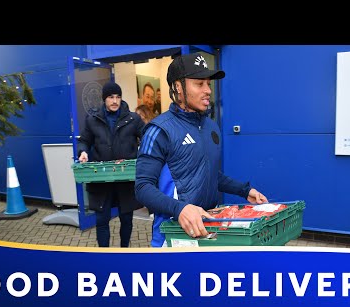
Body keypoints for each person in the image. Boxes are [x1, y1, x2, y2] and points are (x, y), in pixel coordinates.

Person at [135, 53, 268, 248]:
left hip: (209, 230)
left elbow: (209, 173)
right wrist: (180, 209)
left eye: (208, 84)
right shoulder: (159, 130)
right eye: (199, 84)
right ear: (178, 87)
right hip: (172, 237)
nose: (208, 90)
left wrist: (244, 191)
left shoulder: (211, 127)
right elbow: (142, 188)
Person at [77, 81, 145, 247]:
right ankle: (104, 254)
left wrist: (144, 152)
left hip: (125, 178)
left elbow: (147, 137)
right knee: (101, 219)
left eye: (118, 97)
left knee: (126, 218)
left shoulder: (133, 119)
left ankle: (124, 250)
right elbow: (84, 141)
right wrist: (83, 152)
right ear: (104, 99)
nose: (115, 101)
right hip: (102, 179)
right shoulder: (92, 120)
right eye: (111, 97)